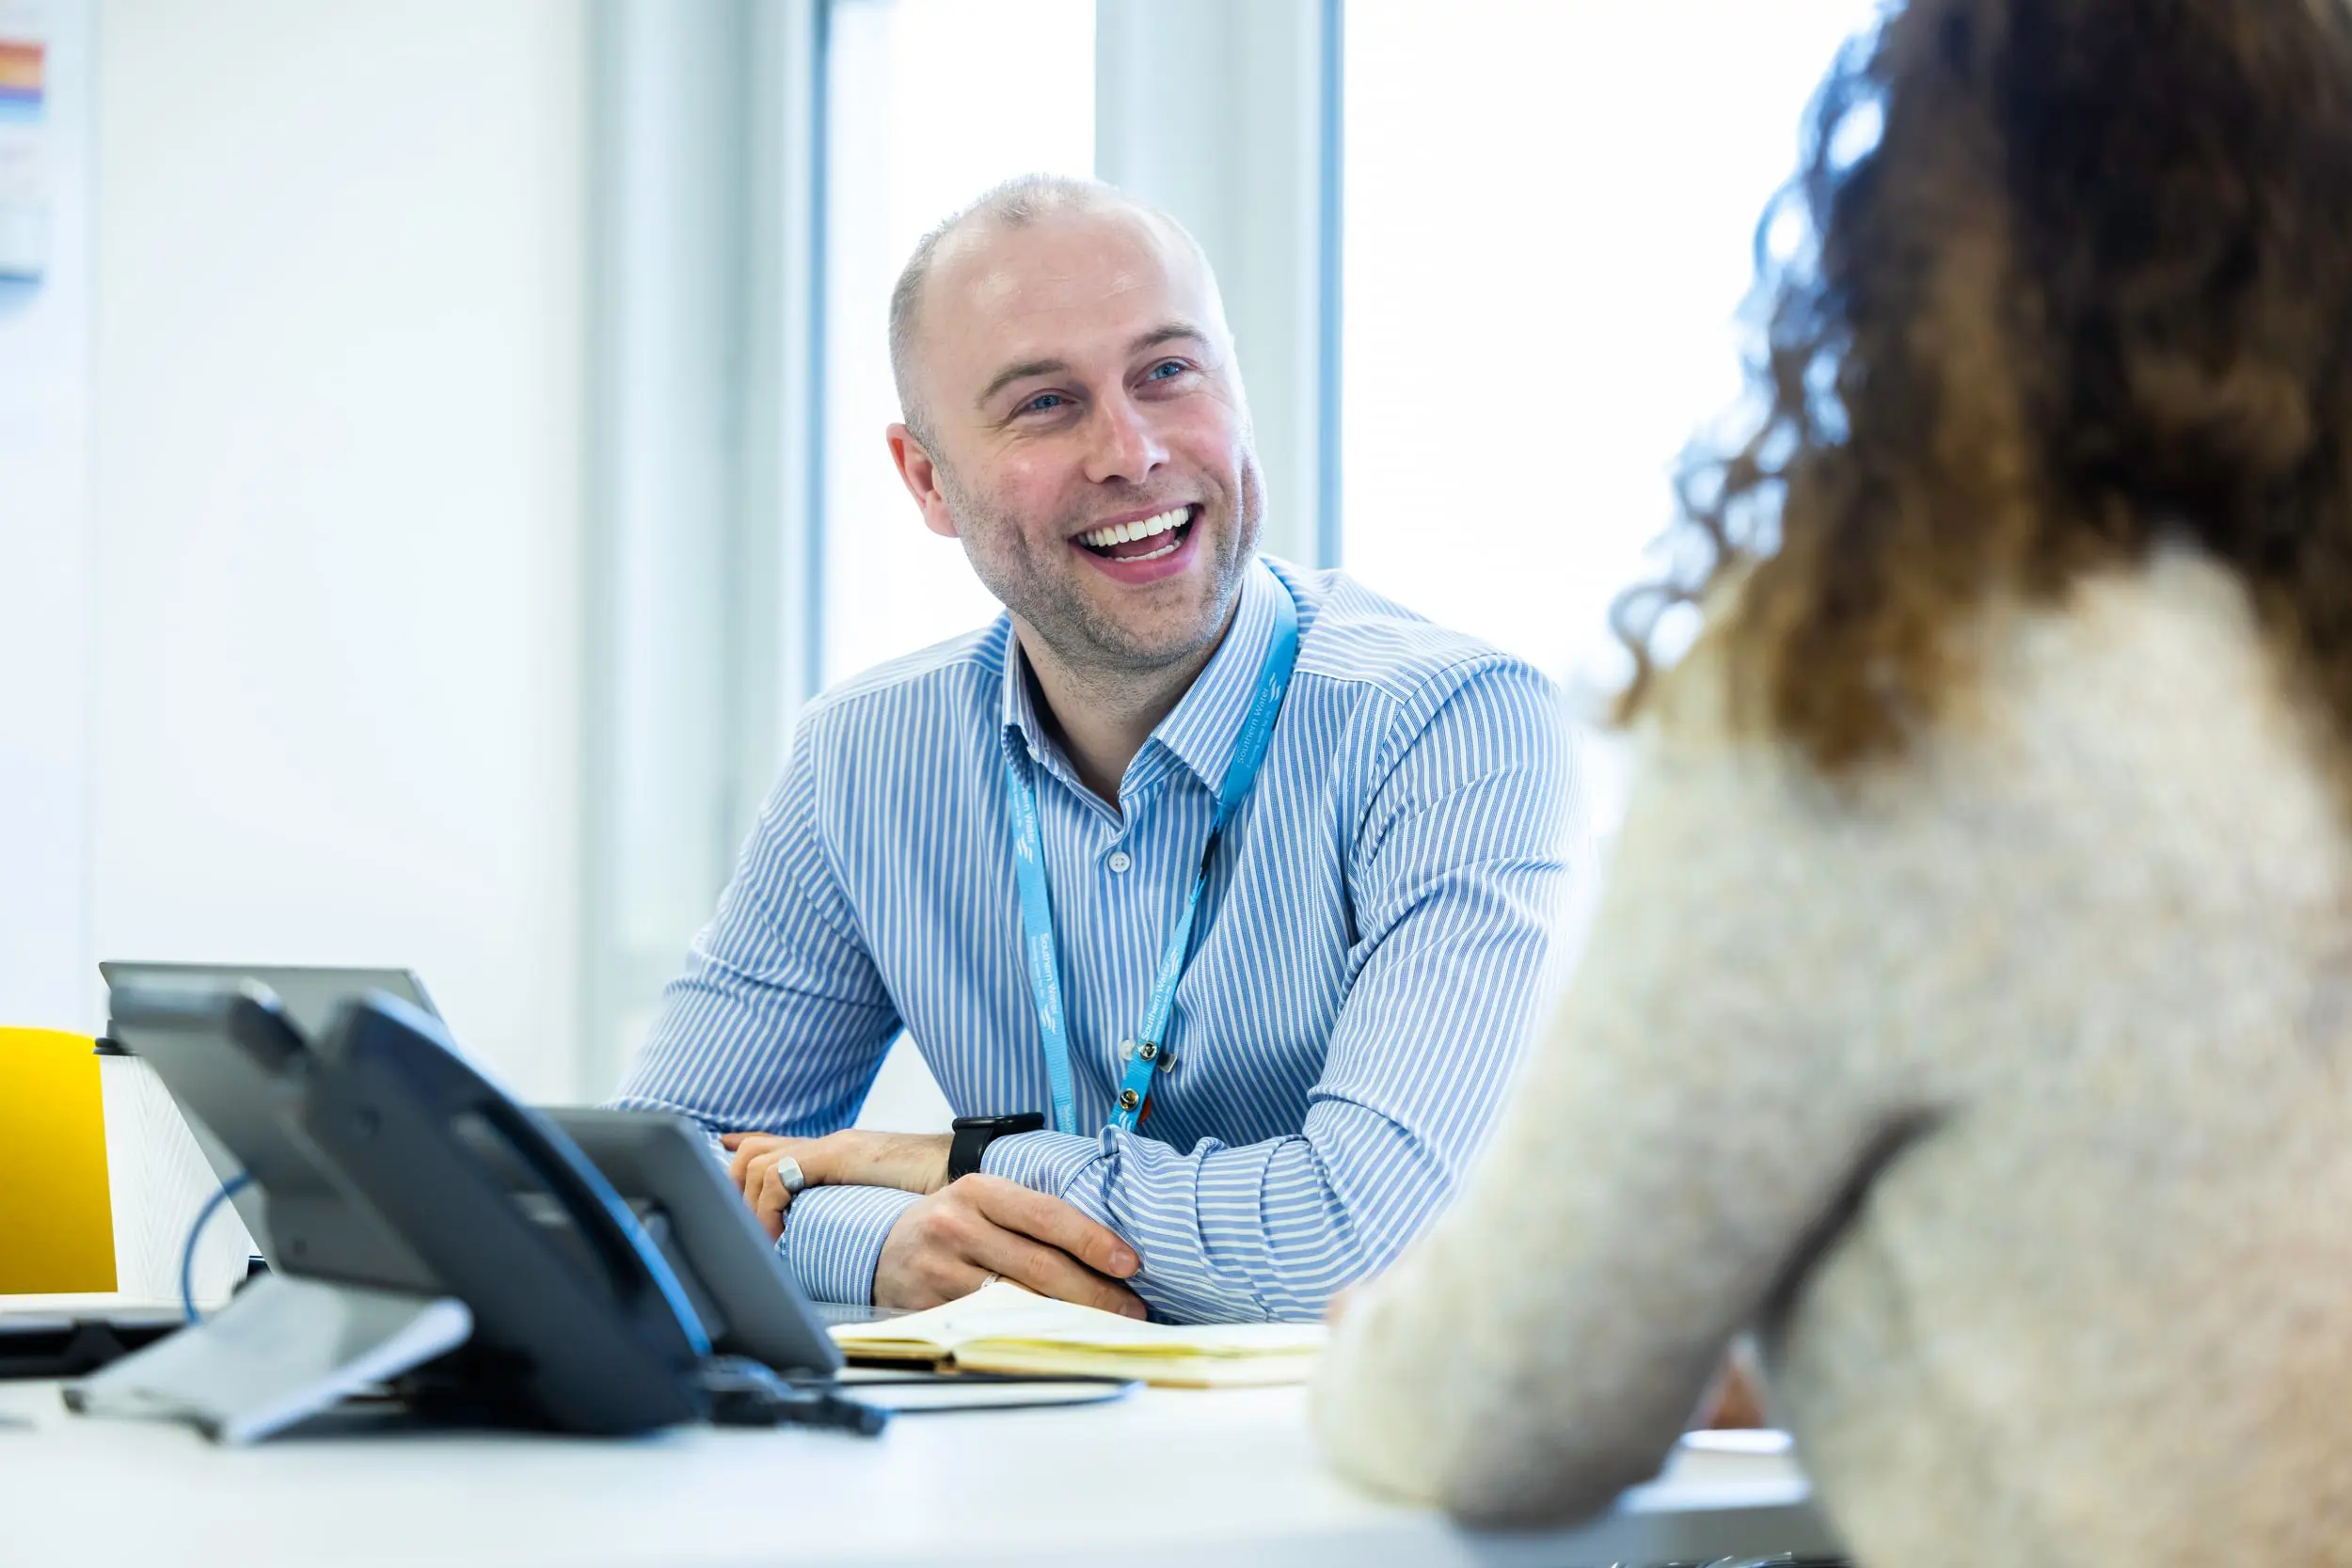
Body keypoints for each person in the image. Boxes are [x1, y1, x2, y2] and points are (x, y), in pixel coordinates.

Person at [1312, 0, 2352, 1560]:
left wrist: (1369, 1359)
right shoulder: (2292, 661)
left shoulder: (1888, 682)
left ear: (1921, 232)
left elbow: (1510, 1407)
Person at [612, 176, 1574, 1324]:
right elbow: (653, 1192)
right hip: (1035, 1464)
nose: (1131, 451)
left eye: (1168, 373)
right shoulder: (863, 758)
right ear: (926, 478)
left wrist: (961, 1163)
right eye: (1044, 404)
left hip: (1389, 1472)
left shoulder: (1451, 726)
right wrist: (885, 1246)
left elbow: (1351, 1241)